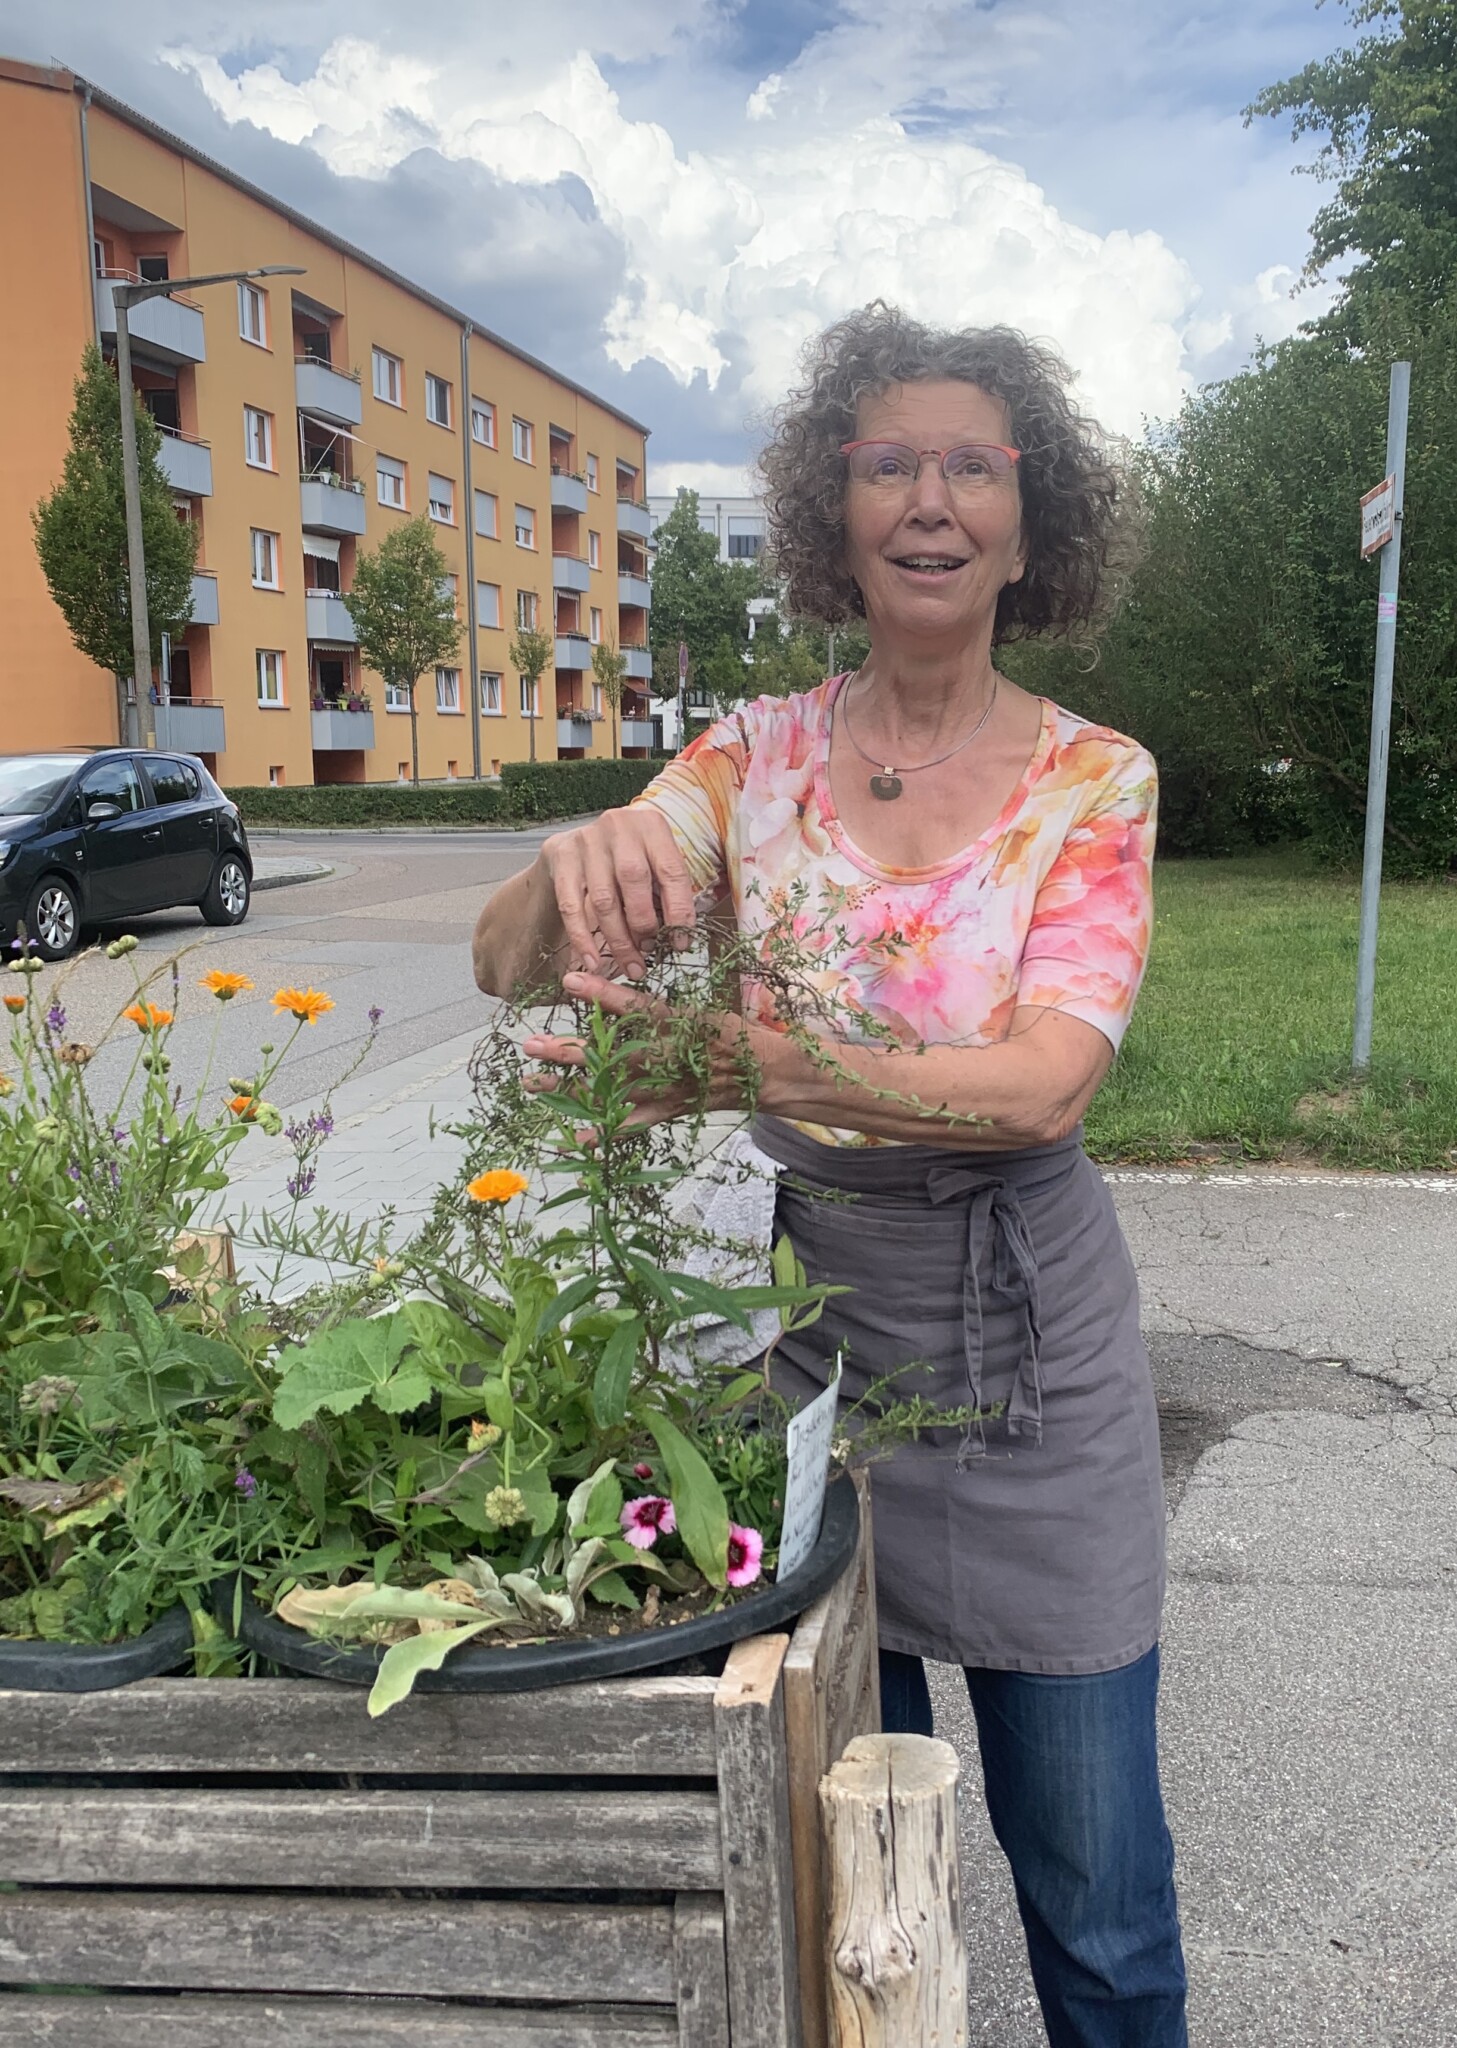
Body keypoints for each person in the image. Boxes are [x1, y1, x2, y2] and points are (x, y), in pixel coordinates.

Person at [472, 301, 1186, 2048]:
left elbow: (1041, 1088)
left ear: (1028, 519)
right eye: (887, 465)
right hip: (818, 1351)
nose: (929, 500)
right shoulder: (749, 759)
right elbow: (503, 969)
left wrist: (769, 1067)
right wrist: (578, 856)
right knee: (849, 1869)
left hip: (1035, 1362)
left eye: (972, 467)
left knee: (1096, 1896)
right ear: (830, 511)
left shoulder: (1094, 779)